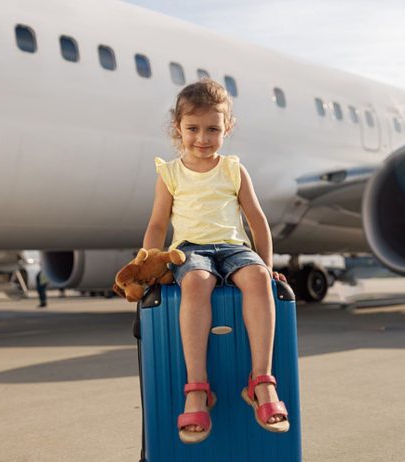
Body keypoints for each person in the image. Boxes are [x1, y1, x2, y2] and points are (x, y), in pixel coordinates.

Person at [142, 79, 290, 444]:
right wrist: (149, 263)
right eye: (193, 129)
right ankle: (197, 388)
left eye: (213, 129)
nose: (203, 138)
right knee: (196, 282)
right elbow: (158, 224)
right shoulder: (170, 174)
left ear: (228, 128)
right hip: (190, 249)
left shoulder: (233, 170)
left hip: (232, 246)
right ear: (178, 128)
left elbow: (256, 221)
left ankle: (261, 382)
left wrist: (267, 265)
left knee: (256, 278)